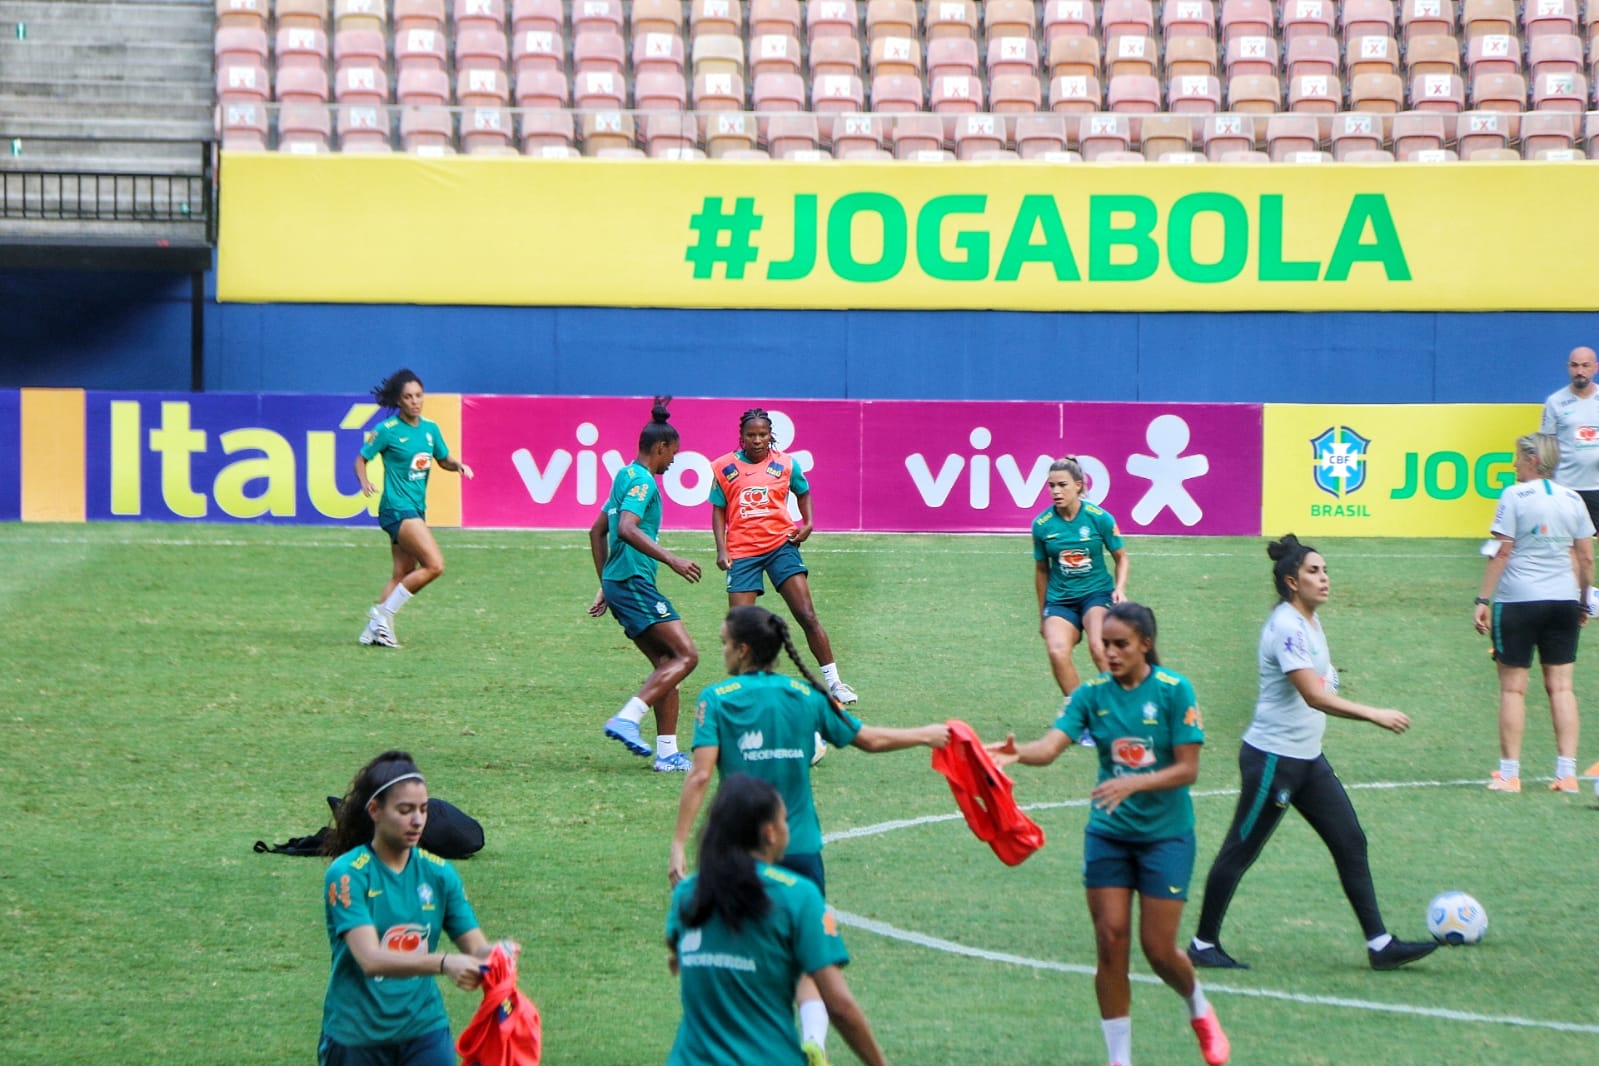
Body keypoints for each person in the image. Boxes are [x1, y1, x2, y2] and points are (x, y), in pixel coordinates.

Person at [670, 605, 948, 1061]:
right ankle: (814, 1041)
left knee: (742, 953)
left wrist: (680, 844)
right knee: (804, 953)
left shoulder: (717, 698)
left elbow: (700, 775)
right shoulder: (806, 694)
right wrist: (926, 734)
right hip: (799, 849)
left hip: (737, 856)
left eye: (724, 644)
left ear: (743, 650)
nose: (722, 651)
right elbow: (869, 739)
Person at [989, 602, 1230, 1066]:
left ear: (1145, 645)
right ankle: (1119, 1060)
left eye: (1121, 645)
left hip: (1166, 836)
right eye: (1105, 645)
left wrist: (1133, 783)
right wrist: (1018, 754)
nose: (1110, 653)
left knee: (1158, 950)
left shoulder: (1174, 691)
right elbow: (1051, 746)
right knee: (1109, 941)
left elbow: (1188, 769)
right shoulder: (1091, 695)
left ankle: (1198, 1008)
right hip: (1109, 835)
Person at [1186, 534, 1438, 974]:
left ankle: (1380, 944)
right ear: (1292, 581)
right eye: (1314, 572)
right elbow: (1313, 696)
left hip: (1307, 759)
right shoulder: (1287, 627)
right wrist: (1373, 713)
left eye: (1325, 571)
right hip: (1272, 760)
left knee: (1350, 840)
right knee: (1241, 849)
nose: (1324, 579)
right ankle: (1202, 944)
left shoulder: (1310, 622)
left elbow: (1320, 682)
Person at [666, 773, 890, 1066]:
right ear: (770, 833)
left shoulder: (686, 894)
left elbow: (676, 958)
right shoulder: (799, 896)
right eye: (784, 820)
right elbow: (839, 1005)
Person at [318, 750, 514, 1066]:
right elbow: (370, 959)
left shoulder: (439, 873)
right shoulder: (348, 874)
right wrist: (444, 963)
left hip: (425, 1031)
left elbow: (476, 948)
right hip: (356, 1036)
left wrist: (497, 955)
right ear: (375, 810)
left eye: (423, 809)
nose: (418, 820)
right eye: (405, 810)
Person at [710, 408, 858, 709]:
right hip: (742, 551)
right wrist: (721, 549)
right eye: (751, 435)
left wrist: (808, 523)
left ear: (770, 435)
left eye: (763, 434)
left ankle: (835, 683)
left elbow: (803, 492)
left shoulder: (787, 464)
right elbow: (718, 510)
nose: (757, 440)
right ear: (742, 437)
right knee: (740, 626)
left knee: (807, 615)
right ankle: (745, 689)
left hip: (781, 545)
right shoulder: (724, 467)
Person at [1474, 433, 1594, 793]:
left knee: (1513, 689)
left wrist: (1482, 599)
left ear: (1532, 459)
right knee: (1562, 687)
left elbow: (1502, 551)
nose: (1513, 464)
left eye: (1517, 458)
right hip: (1563, 601)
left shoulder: (1514, 496)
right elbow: (1586, 558)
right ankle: (1567, 774)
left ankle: (1509, 774)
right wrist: (1583, 600)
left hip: (1519, 601)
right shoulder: (1573, 499)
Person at [590, 397, 703, 773]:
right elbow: (625, 528)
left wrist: (605, 582)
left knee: (666, 664)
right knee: (687, 656)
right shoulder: (642, 482)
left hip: (620, 582)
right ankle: (628, 717)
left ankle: (668, 754)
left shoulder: (624, 474)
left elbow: (596, 530)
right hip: (634, 582)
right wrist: (672, 559)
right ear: (661, 447)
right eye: (674, 453)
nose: (673, 461)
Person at [355, 369, 473, 648]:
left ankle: (372, 631)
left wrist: (457, 465)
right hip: (397, 509)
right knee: (434, 565)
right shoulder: (386, 430)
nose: (415, 401)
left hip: (416, 509)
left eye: (419, 395)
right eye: (408, 397)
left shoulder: (430, 429)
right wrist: (364, 481)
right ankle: (383, 615)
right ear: (399, 400)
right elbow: (361, 459)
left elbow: (442, 459)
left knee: (402, 573)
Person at [1032, 457, 1129, 745]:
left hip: (1096, 594)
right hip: (1060, 601)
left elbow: (1121, 558)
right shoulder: (1042, 525)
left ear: (1078, 485)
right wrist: (1043, 614)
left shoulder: (1100, 518)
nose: (1055, 491)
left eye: (1062, 485)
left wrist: (1120, 588)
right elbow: (1041, 570)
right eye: (1051, 486)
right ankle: (1083, 717)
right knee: (1056, 651)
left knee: (1099, 647)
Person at [1540, 345, 1599, 531]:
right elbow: (1546, 444)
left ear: (1595, 368)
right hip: (1565, 486)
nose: (1580, 371)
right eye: (1574, 365)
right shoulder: (1555, 402)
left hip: (1597, 486)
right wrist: (1546, 482)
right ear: (1568, 368)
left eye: (1585, 365)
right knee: (1565, 540)